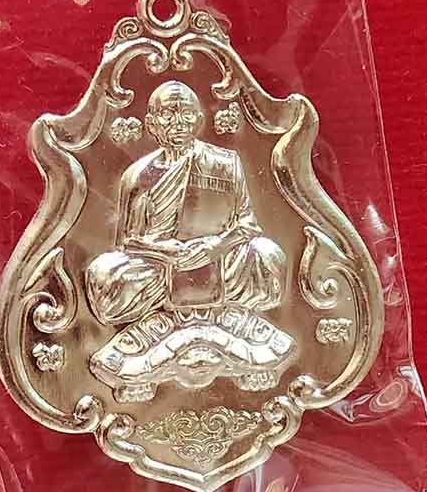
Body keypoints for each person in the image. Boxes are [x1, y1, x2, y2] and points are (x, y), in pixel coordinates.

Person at [86, 81, 287, 326]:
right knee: (104, 273)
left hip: (220, 259)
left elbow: (247, 224)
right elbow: (129, 242)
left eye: (187, 113)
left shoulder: (224, 162)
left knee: (267, 255)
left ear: (199, 120)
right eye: (168, 114)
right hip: (160, 266)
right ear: (152, 123)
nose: (179, 122)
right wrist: (166, 252)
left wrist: (214, 247)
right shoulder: (138, 175)